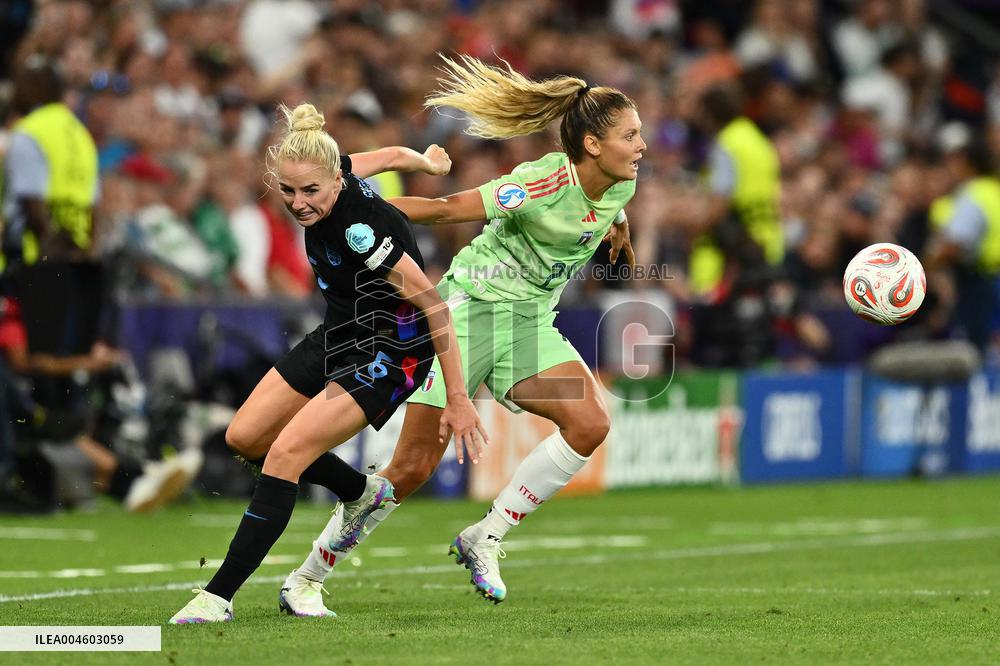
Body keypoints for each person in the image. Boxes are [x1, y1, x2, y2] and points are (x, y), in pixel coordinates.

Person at [278, 54, 642, 611]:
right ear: (593, 145)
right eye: (631, 135)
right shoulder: (539, 184)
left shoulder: (621, 185)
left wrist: (618, 227)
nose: (642, 145)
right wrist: (351, 211)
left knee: (589, 422)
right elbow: (448, 210)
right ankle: (307, 576)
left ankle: (486, 536)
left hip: (527, 324)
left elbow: (604, 208)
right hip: (468, 312)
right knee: (412, 468)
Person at [168, 102, 484, 624]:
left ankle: (216, 597)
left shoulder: (360, 231)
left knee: (286, 451)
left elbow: (434, 306)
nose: (298, 203)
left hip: (393, 349)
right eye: (288, 191)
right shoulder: (335, 167)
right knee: (244, 436)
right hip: (342, 329)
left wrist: (457, 398)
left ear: (334, 180)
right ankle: (360, 492)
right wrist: (422, 162)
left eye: (310, 191)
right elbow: (381, 157)